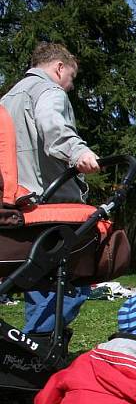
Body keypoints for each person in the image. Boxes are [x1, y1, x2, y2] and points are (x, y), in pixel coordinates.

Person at [1, 42, 101, 334]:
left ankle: (37, 347)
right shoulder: (48, 91)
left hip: (20, 205)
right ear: (59, 68)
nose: (70, 87)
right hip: (52, 204)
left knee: (38, 280)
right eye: (72, 78)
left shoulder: (9, 97)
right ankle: (35, 347)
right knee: (75, 281)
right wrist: (78, 151)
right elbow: (52, 125)